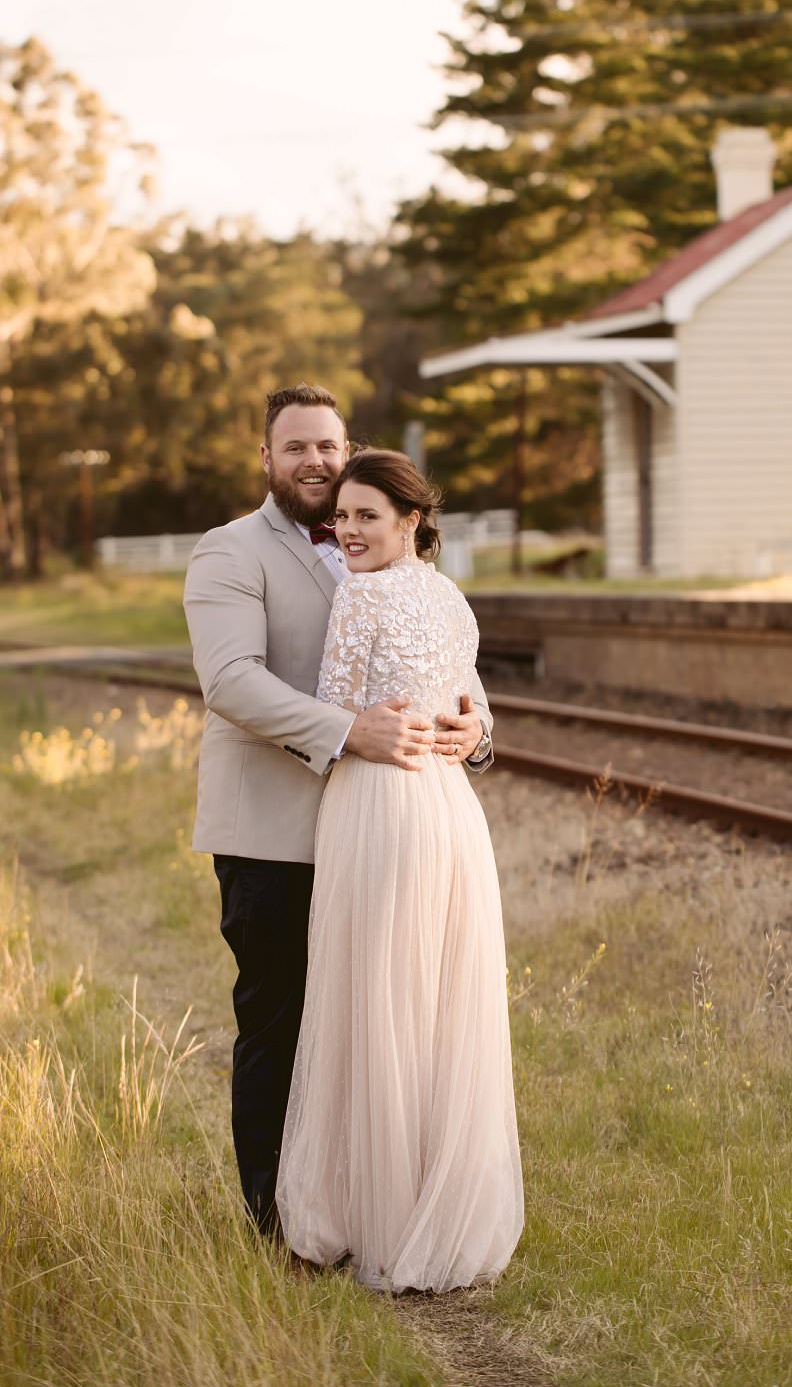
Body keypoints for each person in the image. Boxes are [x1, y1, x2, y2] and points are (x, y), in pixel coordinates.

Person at [183, 385, 494, 1237]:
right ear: (267, 458)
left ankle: (366, 1202)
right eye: (296, 448)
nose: (315, 462)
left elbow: (447, 672)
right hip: (275, 829)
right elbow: (232, 682)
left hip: (387, 824)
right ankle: (274, 1218)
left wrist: (475, 729)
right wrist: (349, 731)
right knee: (281, 1020)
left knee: (379, 1022)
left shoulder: (394, 560)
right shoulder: (229, 553)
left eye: (328, 445)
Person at [275, 449, 523, 1293]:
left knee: (373, 997)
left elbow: (337, 707)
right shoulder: (450, 597)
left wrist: (369, 724)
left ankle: (372, 1212)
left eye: (365, 517)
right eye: (340, 518)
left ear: (411, 520)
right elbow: (471, 709)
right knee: (437, 1001)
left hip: (380, 805)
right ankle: (434, 1203)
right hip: (451, 811)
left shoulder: (362, 594)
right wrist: (471, 737)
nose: (346, 532)